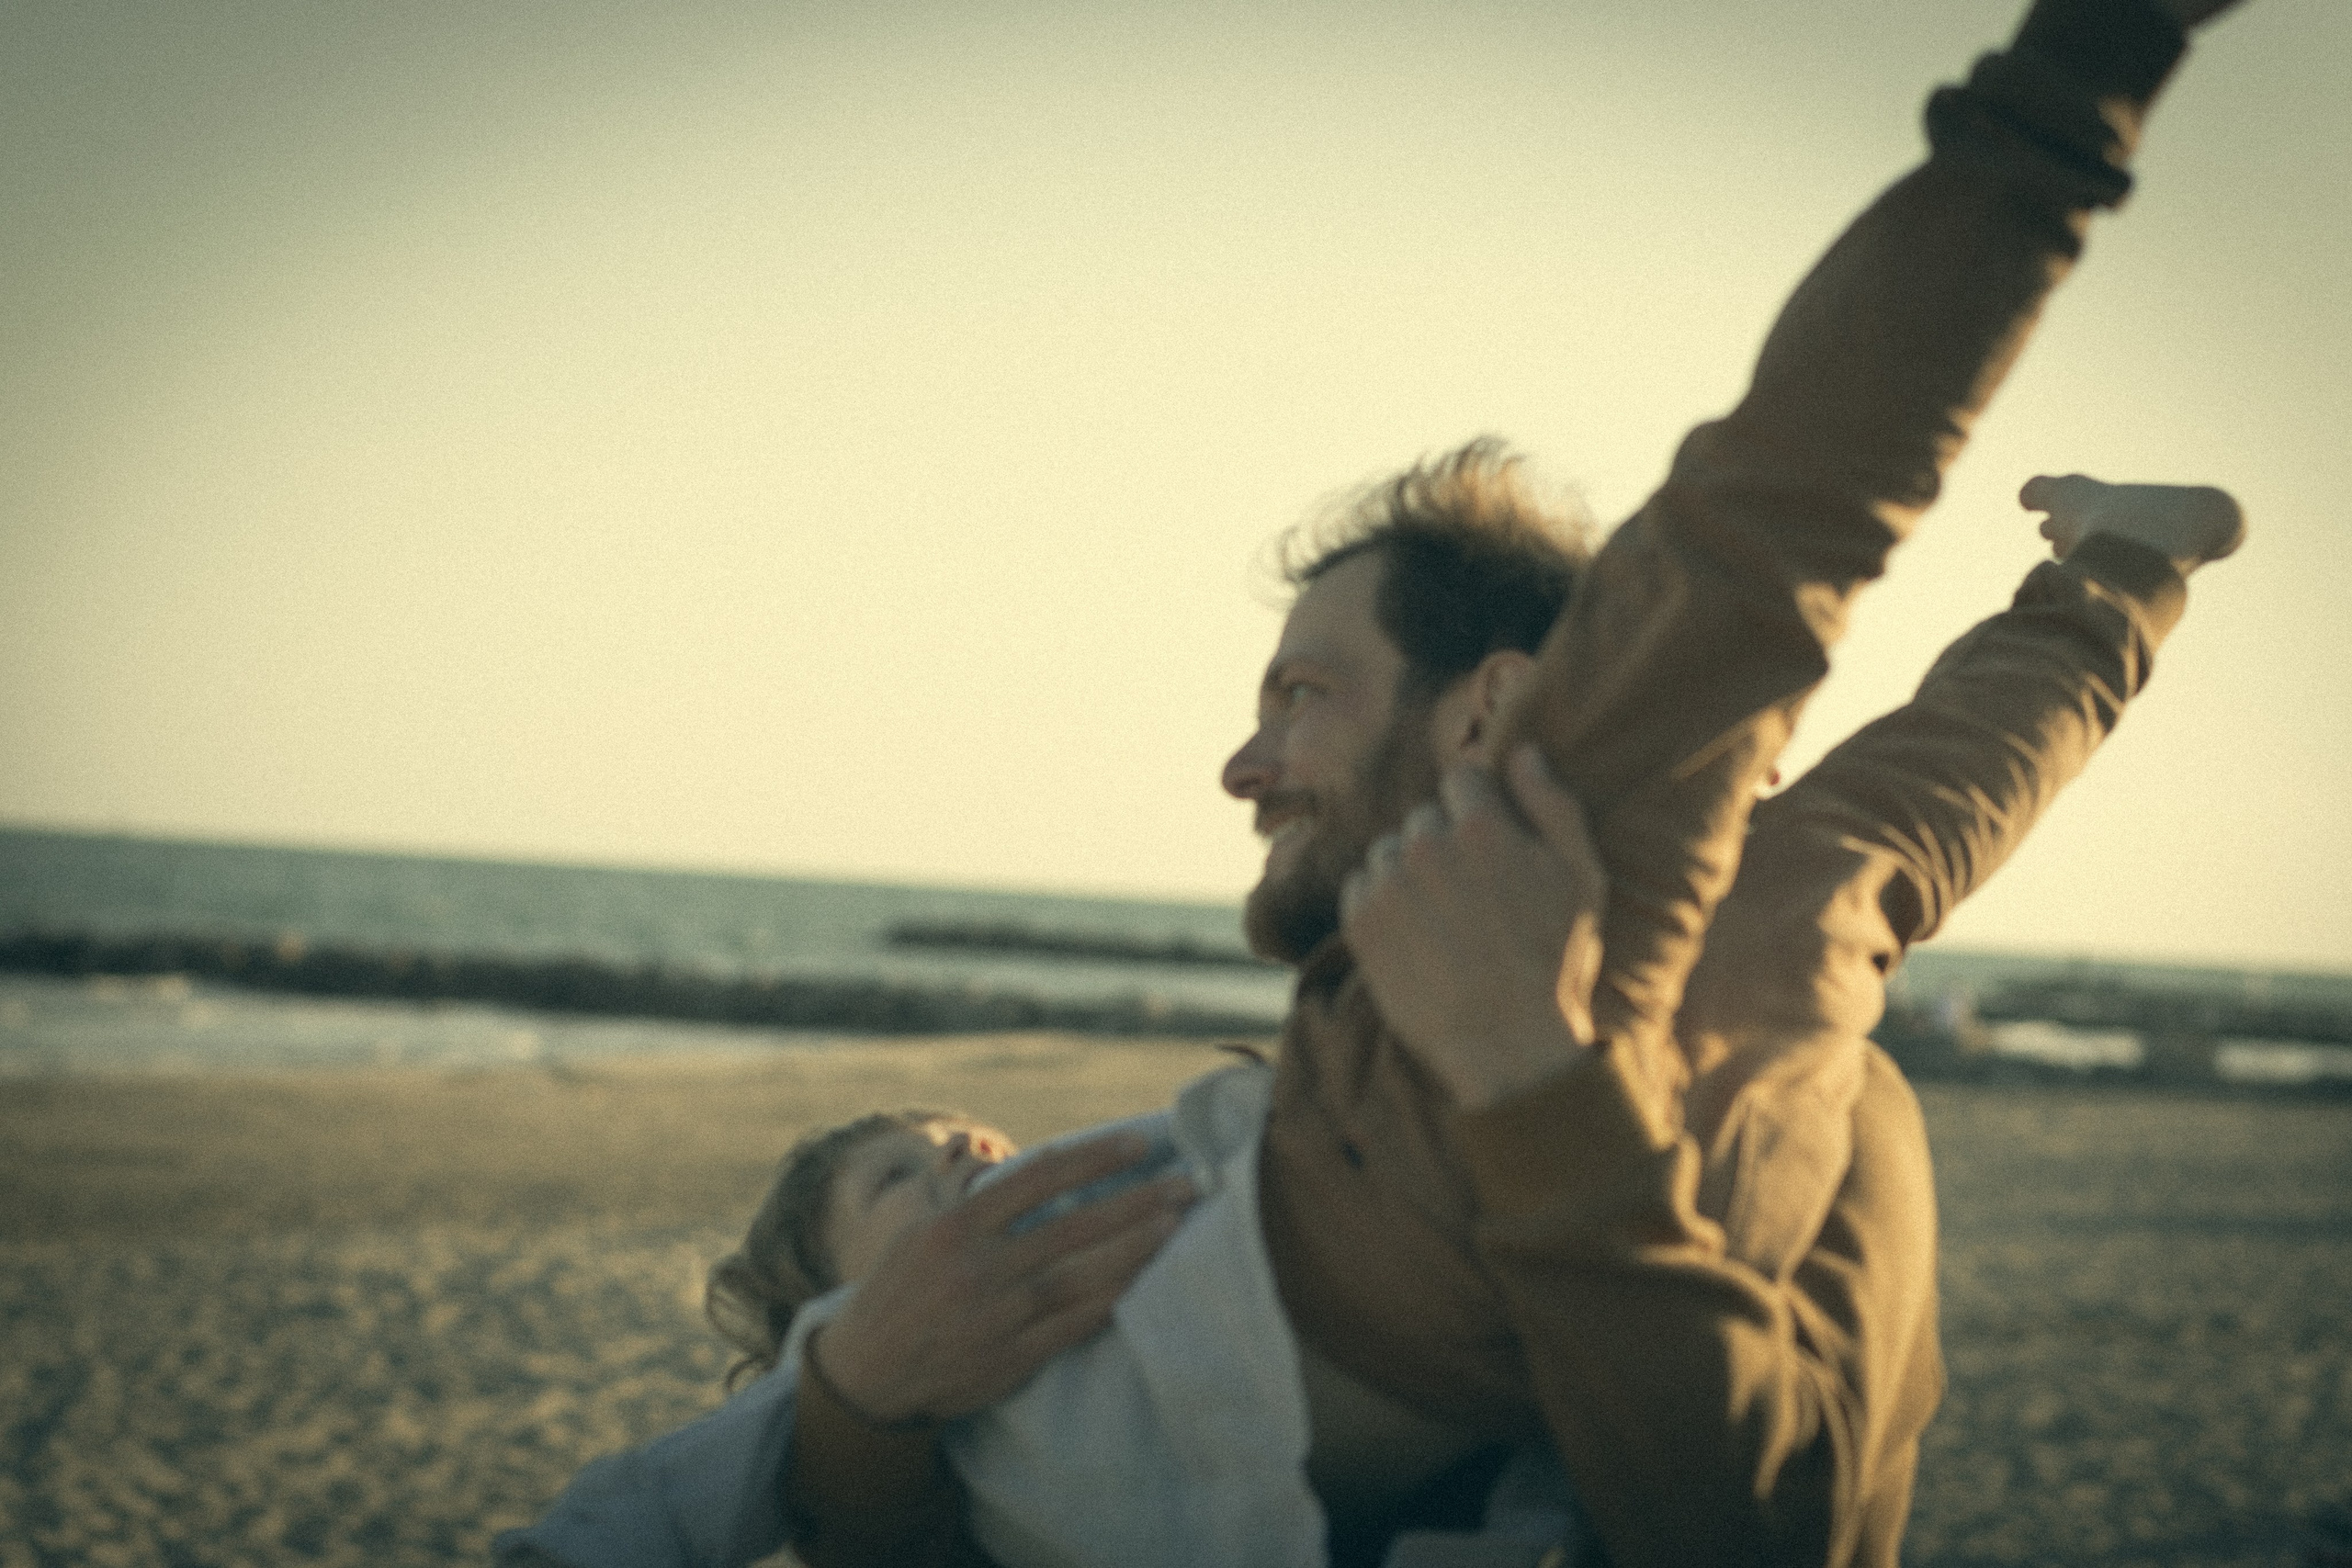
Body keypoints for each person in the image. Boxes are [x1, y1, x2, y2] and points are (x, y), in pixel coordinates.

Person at [492, 468, 2247, 1568]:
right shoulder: (1298, 1105)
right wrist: (864, 1393)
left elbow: (1765, 1515)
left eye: (1304, 697)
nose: (1245, 765)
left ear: (1485, 715)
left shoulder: (1785, 1072)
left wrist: (1537, 1092)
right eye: (897, 1184)